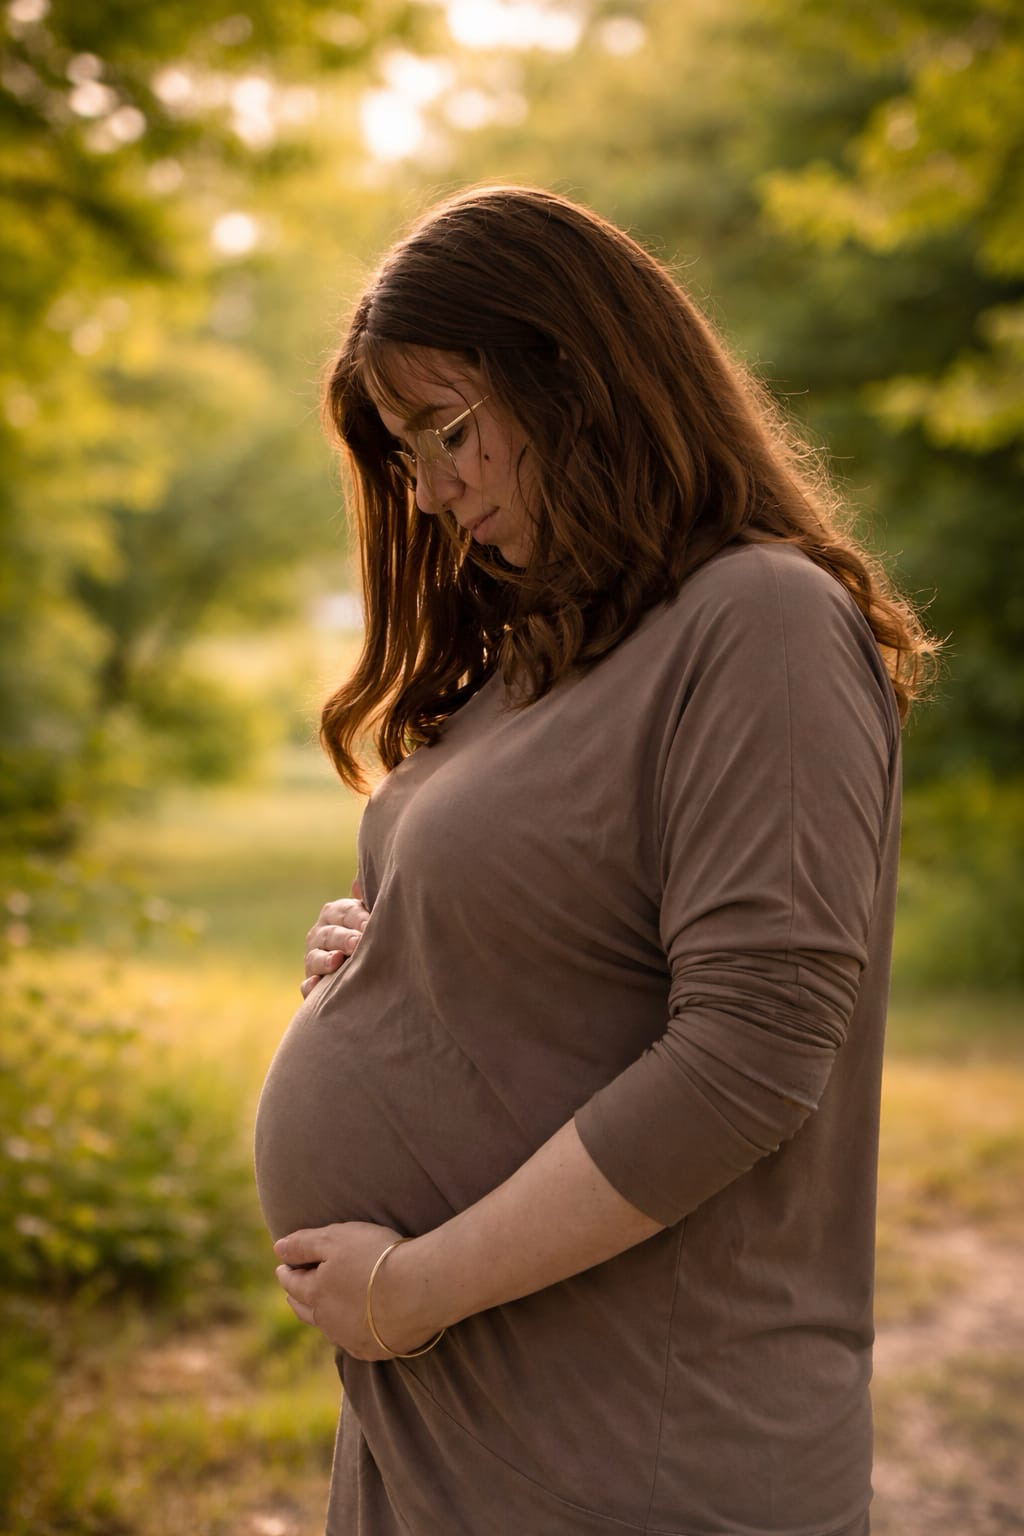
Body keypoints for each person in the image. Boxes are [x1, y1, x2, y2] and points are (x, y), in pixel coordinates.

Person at [253, 184, 933, 1536]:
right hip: (463, 1424)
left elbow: (752, 1050)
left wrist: (413, 1290)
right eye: (406, 455)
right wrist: (403, 949)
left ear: (584, 378)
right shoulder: (541, 654)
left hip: (633, 1451)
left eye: (451, 431)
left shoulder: (763, 622)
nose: (435, 490)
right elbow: (575, 946)